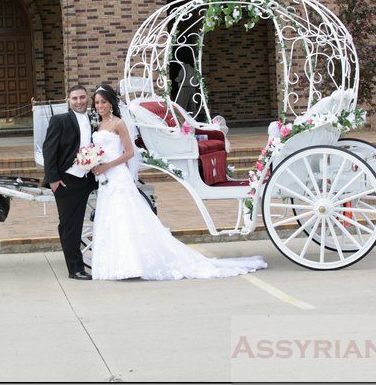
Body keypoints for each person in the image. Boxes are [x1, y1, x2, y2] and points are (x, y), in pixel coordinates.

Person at [88, 85, 267, 281]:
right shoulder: (98, 125)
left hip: (117, 175)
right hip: (105, 178)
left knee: (125, 216)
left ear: (111, 103)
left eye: (103, 102)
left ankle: (133, 265)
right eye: (97, 102)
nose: (100, 106)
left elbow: (129, 153)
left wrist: (107, 166)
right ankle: (117, 265)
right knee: (112, 218)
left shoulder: (119, 123)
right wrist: (93, 162)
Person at [42, 85, 97, 280]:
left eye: (82, 97)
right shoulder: (60, 120)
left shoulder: (95, 119)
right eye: (75, 98)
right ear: (68, 100)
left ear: (87, 98)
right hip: (67, 180)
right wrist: (53, 178)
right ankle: (75, 269)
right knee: (69, 226)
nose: (79, 101)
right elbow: (49, 149)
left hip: (90, 178)